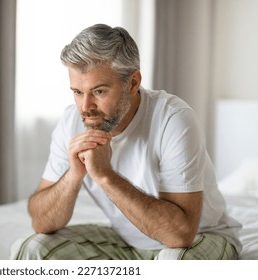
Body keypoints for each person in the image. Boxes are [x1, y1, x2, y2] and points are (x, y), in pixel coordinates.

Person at [15, 24, 241, 260]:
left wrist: (105, 176)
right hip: (127, 244)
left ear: (133, 83)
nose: (85, 107)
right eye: (78, 92)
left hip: (201, 237)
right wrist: (73, 175)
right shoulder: (71, 121)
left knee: (174, 262)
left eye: (99, 91)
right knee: (35, 248)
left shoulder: (173, 119)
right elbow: (41, 221)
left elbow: (180, 235)